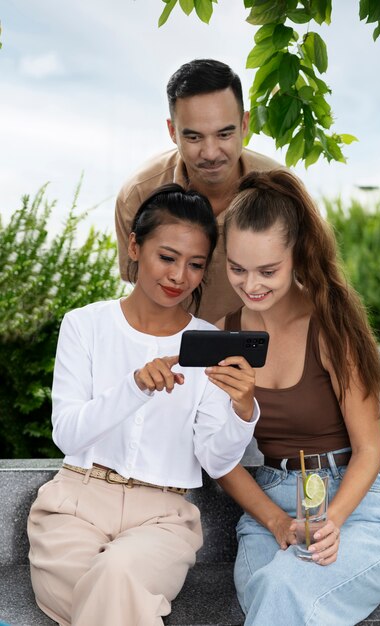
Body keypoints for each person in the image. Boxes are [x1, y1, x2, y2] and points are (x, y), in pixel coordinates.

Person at [27, 184, 260, 626]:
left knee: (115, 579)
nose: (179, 276)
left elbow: (215, 457)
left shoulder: (209, 343)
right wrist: (133, 387)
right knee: (119, 599)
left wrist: (242, 409)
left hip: (163, 520)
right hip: (72, 508)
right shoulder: (85, 325)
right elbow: (68, 434)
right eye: (167, 257)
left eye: (195, 265)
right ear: (135, 246)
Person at [214, 169, 380, 625]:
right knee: (275, 587)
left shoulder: (331, 325)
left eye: (268, 270)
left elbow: (369, 450)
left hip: (354, 508)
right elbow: (217, 456)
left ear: (297, 254)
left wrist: (332, 521)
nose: (252, 284)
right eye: (237, 268)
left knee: (281, 588)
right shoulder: (226, 334)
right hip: (269, 513)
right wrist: (277, 521)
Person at [115, 58, 279, 323]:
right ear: (172, 131)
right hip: (171, 351)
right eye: (194, 137)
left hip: (260, 349)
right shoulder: (138, 194)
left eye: (224, 134)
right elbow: (139, 287)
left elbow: (308, 285)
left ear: (245, 125)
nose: (211, 153)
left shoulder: (281, 191)